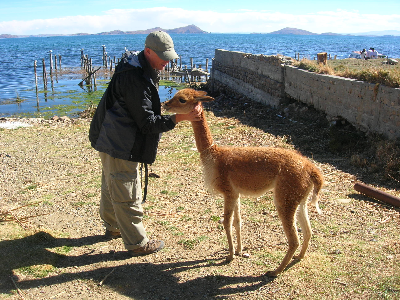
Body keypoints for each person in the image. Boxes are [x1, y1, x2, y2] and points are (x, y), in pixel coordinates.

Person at [89, 31, 202, 256]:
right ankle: (137, 243)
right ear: (148, 51)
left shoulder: (140, 67)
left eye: (169, 56)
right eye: (163, 57)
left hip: (109, 134)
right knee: (125, 187)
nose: (167, 62)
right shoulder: (135, 78)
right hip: (118, 140)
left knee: (112, 181)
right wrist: (179, 118)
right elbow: (147, 123)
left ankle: (112, 227)